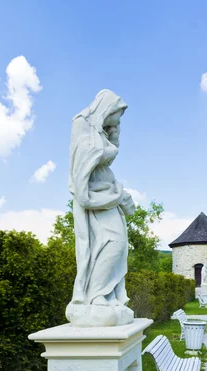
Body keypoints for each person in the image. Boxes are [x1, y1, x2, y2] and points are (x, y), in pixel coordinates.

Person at [66, 90, 136, 326]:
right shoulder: (81, 124)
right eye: (117, 116)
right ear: (106, 109)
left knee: (119, 245)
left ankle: (108, 294)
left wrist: (113, 136)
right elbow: (86, 160)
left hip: (107, 194)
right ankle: (95, 295)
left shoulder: (100, 130)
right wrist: (109, 149)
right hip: (96, 198)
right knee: (110, 243)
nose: (117, 122)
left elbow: (107, 155)